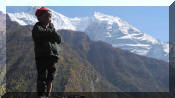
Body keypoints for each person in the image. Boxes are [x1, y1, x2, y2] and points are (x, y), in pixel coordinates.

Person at [32, 7, 61, 97]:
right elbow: (42, 35)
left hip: (52, 57)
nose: (49, 19)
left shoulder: (50, 29)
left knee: (50, 77)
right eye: (47, 16)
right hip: (42, 56)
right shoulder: (37, 28)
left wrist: (53, 30)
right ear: (39, 18)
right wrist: (51, 30)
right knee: (42, 76)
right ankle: (41, 95)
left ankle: (48, 94)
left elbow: (59, 39)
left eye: (50, 17)